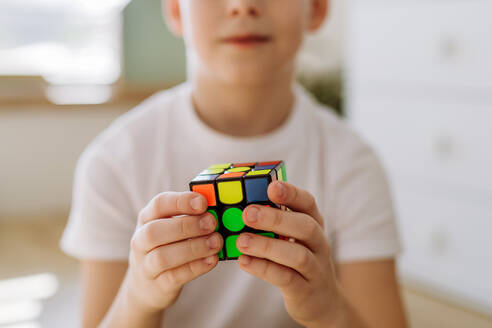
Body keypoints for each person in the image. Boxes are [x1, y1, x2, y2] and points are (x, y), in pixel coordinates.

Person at [60, 0, 408, 327]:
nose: (243, 4)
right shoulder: (113, 162)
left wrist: (328, 308)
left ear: (316, 8)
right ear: (176, 10)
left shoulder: (354, 164)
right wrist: (139, 296)